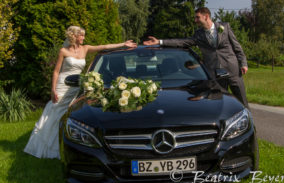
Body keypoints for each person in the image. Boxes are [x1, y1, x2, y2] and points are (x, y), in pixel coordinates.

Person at [24, 25, 137, 159]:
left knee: (68, 115)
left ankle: (63, 143)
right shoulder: (63, 51)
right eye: (81, 35)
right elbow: (56, 71)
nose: (83, 38)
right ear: (74, 36)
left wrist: (123, 44)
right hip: (62, 86)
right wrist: (53, 89)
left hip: (76, 86)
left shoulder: (85, 48)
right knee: (55, 111)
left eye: (83, 35)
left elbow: (104, 47)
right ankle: (46, 145)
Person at [143, 7, 249, 107]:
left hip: (233, 71)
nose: (195, 20)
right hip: (215, 74)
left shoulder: (224, 27)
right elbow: (182, 42)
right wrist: (160, 41)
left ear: (206, 16)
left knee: (242, 102)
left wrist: (243, 63)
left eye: (197, 17)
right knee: (220, 104)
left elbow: (237, 47)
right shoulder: (198, 34)